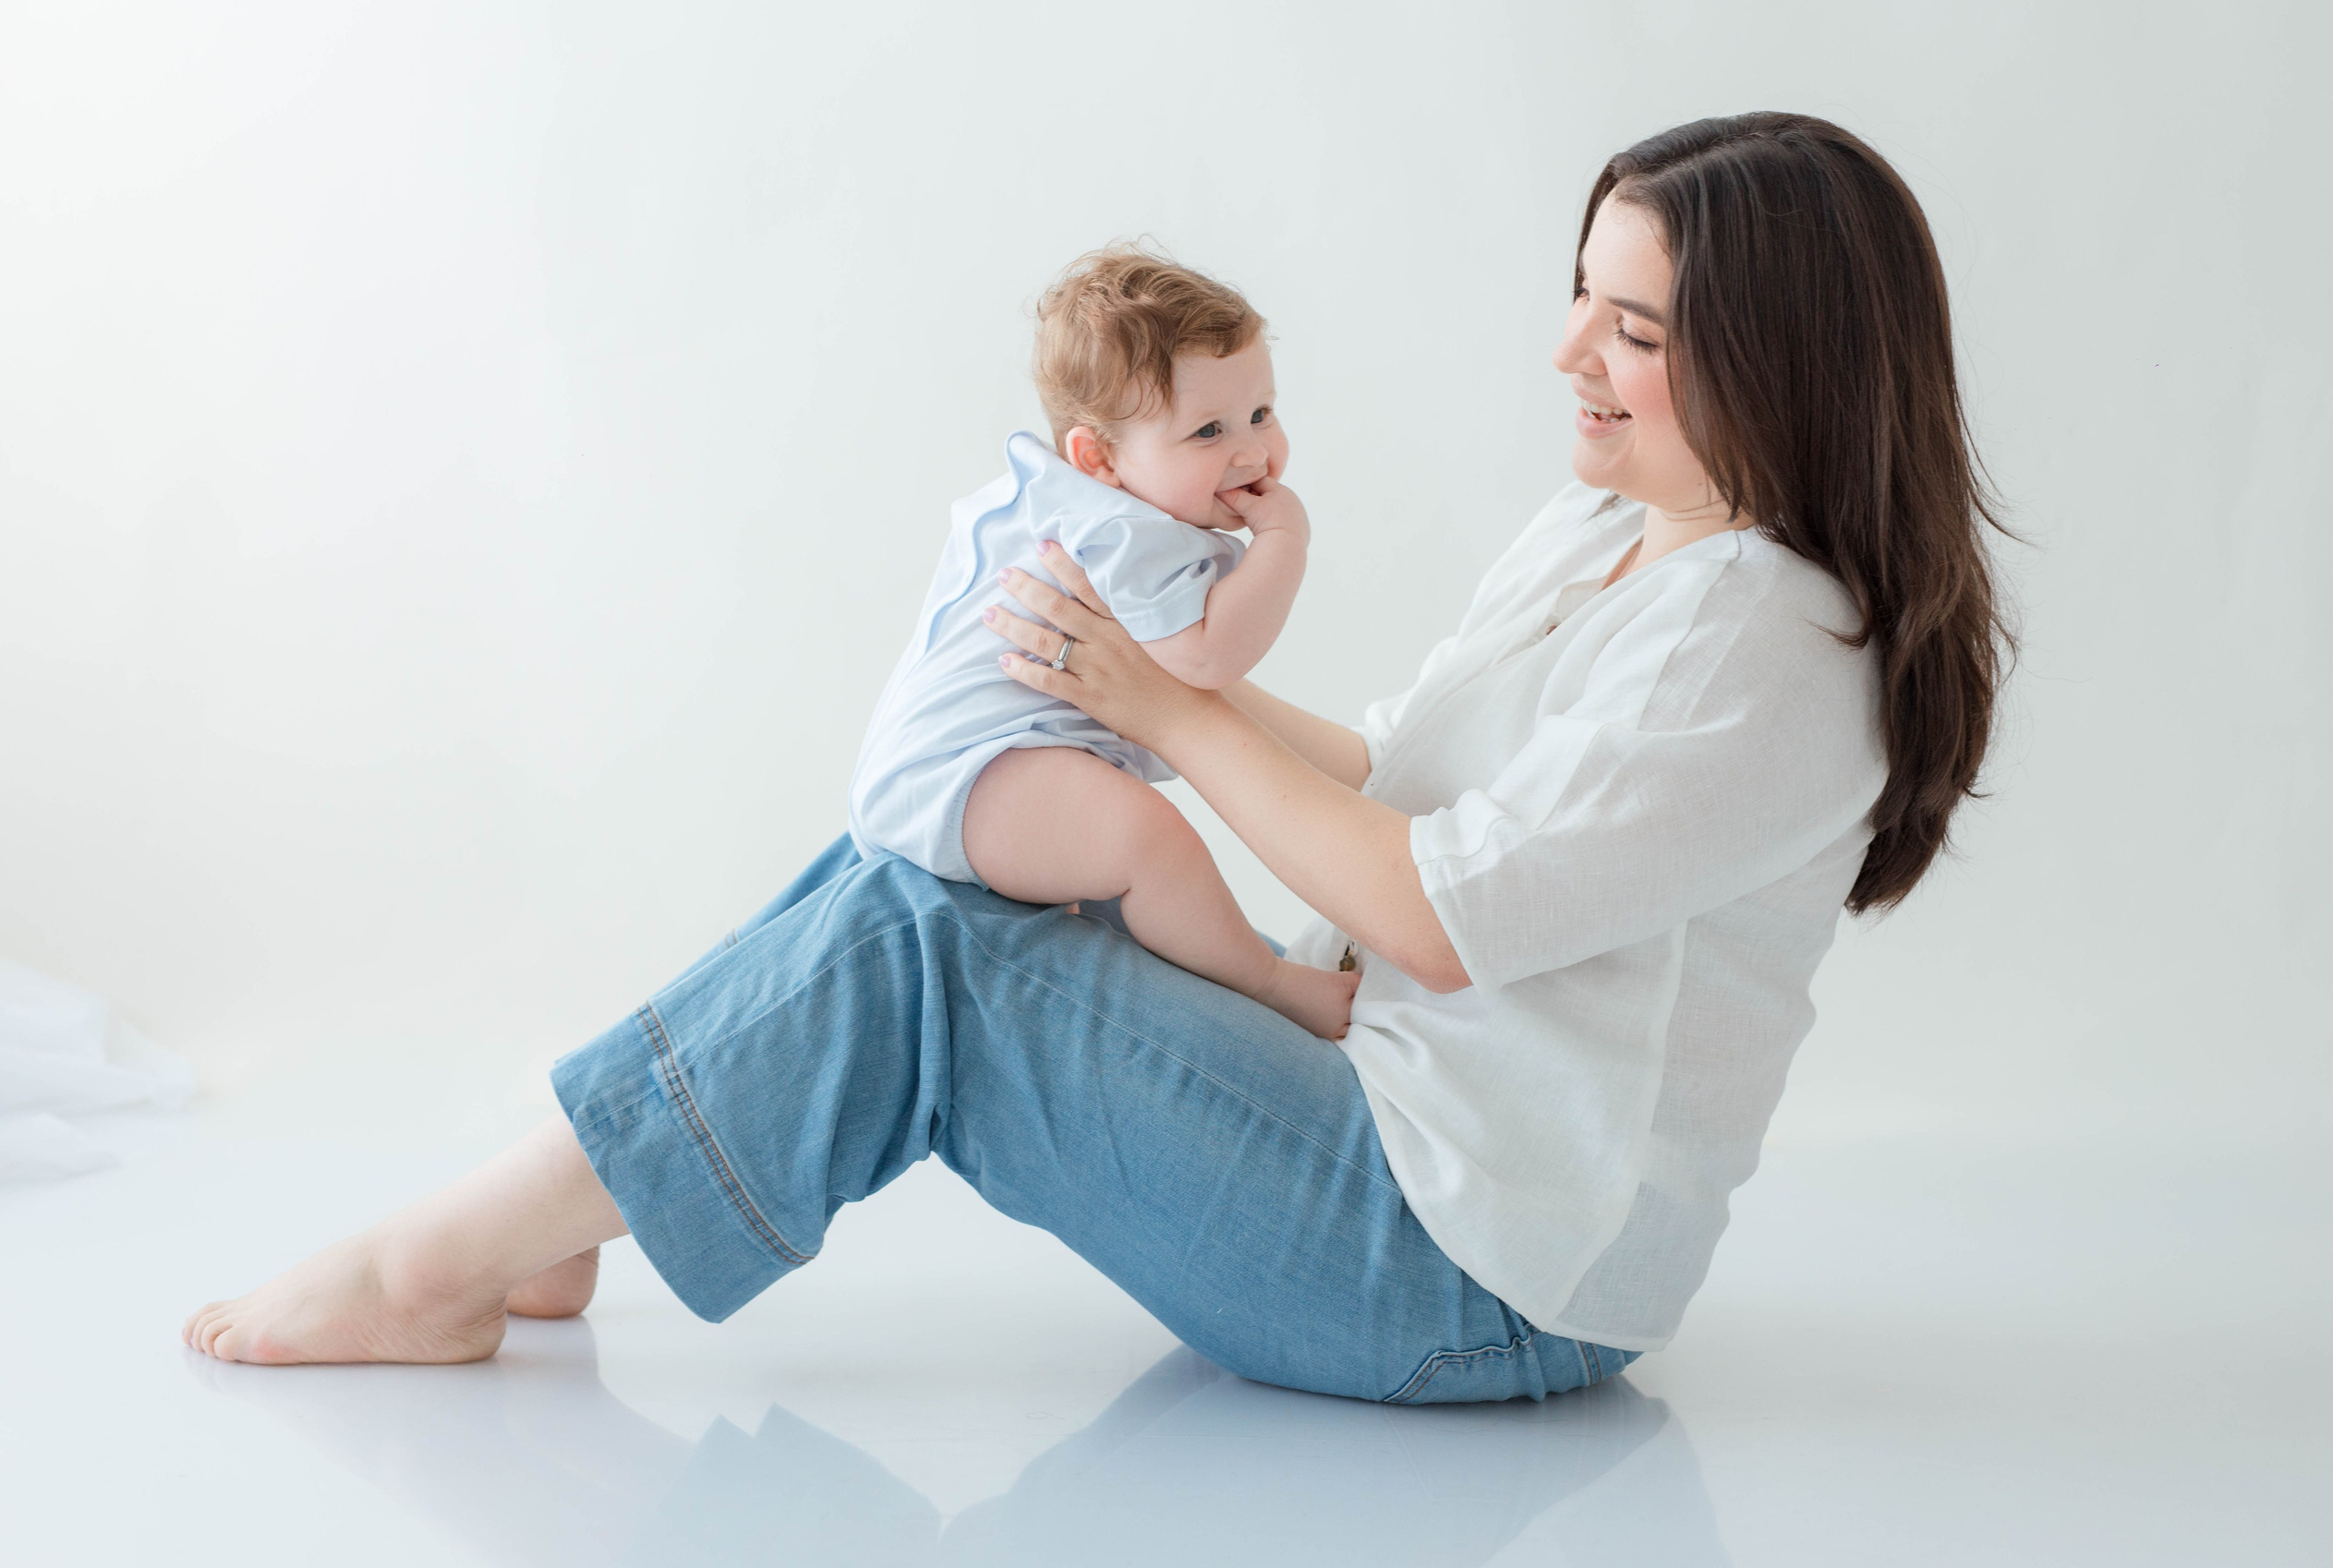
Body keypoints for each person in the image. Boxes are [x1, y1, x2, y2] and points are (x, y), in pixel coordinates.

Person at [184, 112, 2010, 1404]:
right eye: (1577, 294)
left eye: (1631, 324)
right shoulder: (1615, 530)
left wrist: (1166, 715)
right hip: (1399, 1134)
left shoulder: (1769, 638)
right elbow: (1402, 769)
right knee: (945, 857)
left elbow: (1438, 913)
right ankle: (542, 1217)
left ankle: (434, 1266)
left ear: (1774, 353)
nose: (1565, 353)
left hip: (1472, 1278)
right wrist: (1127, 676)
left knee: (938, 947)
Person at [848, 247, 1359, 1040]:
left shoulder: (1080, 506)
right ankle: (1267, 980)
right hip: (971, 775)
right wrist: (1284, 541)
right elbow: (1206, 657)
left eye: (1262, 412)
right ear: (1099, 457)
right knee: (1146, 838)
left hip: (947, 774)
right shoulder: (1120, 529)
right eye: (1208, 431)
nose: (1253, 451)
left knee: (1117, 854)